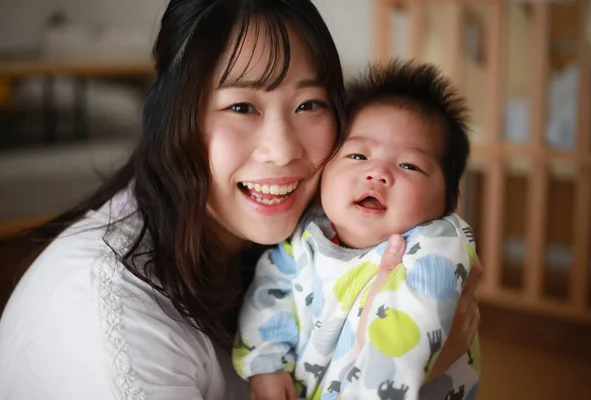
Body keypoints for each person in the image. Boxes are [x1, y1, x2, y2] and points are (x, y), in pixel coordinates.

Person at [0, 1, 481, 399]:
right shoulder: (113, 328)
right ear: (176, 121)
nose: (282, 150)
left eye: (309, 104)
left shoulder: (309, 229)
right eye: (241, 106)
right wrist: (429, 362)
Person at [234, 61, 480, 400]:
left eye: (409, 165)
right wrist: (267, 364)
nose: (377, 173)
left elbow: (402, 340)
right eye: (357, 155)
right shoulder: (307, 236)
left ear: (447, 202)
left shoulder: (434, 247)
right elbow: (271, 294)